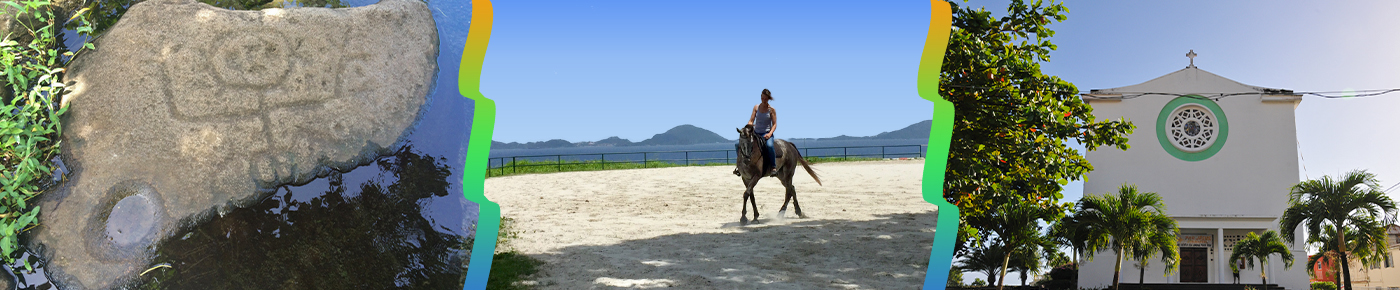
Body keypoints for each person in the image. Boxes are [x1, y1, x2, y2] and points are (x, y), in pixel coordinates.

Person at [734, 89, 779, 177]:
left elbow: (774, 124)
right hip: (755, 133)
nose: (763, 100)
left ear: (768, 99)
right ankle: (739, 165)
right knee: (737, 144)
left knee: (769, 146)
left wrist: (770, 134)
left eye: (765, 98)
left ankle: (773, 167)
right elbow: (751, 120)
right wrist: (747, 127)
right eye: (762, 98)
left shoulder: (771, 110)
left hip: (766, 134)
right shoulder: (756, 107)